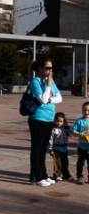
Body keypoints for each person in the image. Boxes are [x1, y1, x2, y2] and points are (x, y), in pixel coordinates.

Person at [28, 57, 62, 187]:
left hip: (49, 118)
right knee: (37, 148)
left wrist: (50, 99)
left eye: (51, 68)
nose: (50, 71)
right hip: (38, 118)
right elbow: (42, 99)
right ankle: (36, 176)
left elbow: (59, 97)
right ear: (40, 69)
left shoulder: (51, 81)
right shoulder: (35, 82)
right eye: (47, 68)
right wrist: (48, 87)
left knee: (43, 149)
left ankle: (43, 174)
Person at [48, 112, 73, 182]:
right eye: (57, 121)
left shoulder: (65, 128)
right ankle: (57, 175)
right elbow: (51, 139)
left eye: (61, 121)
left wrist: (70, 132)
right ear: (54, 120)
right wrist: (51, 149)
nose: (59, 123)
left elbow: (71, 133)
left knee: (65, 162)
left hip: (64, 148)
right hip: (56, 149)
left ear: (64, 121)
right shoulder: (53, 129)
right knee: (57, 163)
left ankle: (66, 174)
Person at [70, 101, 89, 185]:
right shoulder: (79, 121)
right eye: (84, 110)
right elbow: (72, 131)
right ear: (82, 111)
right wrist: (79, 134)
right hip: (82, 146)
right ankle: (79, 176)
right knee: (80, 162)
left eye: (88, 110)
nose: (86, 112)